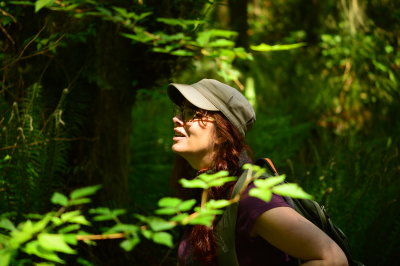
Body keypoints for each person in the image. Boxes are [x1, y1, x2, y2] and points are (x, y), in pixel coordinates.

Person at [167, 78, 348, 266]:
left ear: (221, 134)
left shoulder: (251, 197)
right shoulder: (205, 190)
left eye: (191, 113)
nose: (177, 119)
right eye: (180, 111)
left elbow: (332, 258)